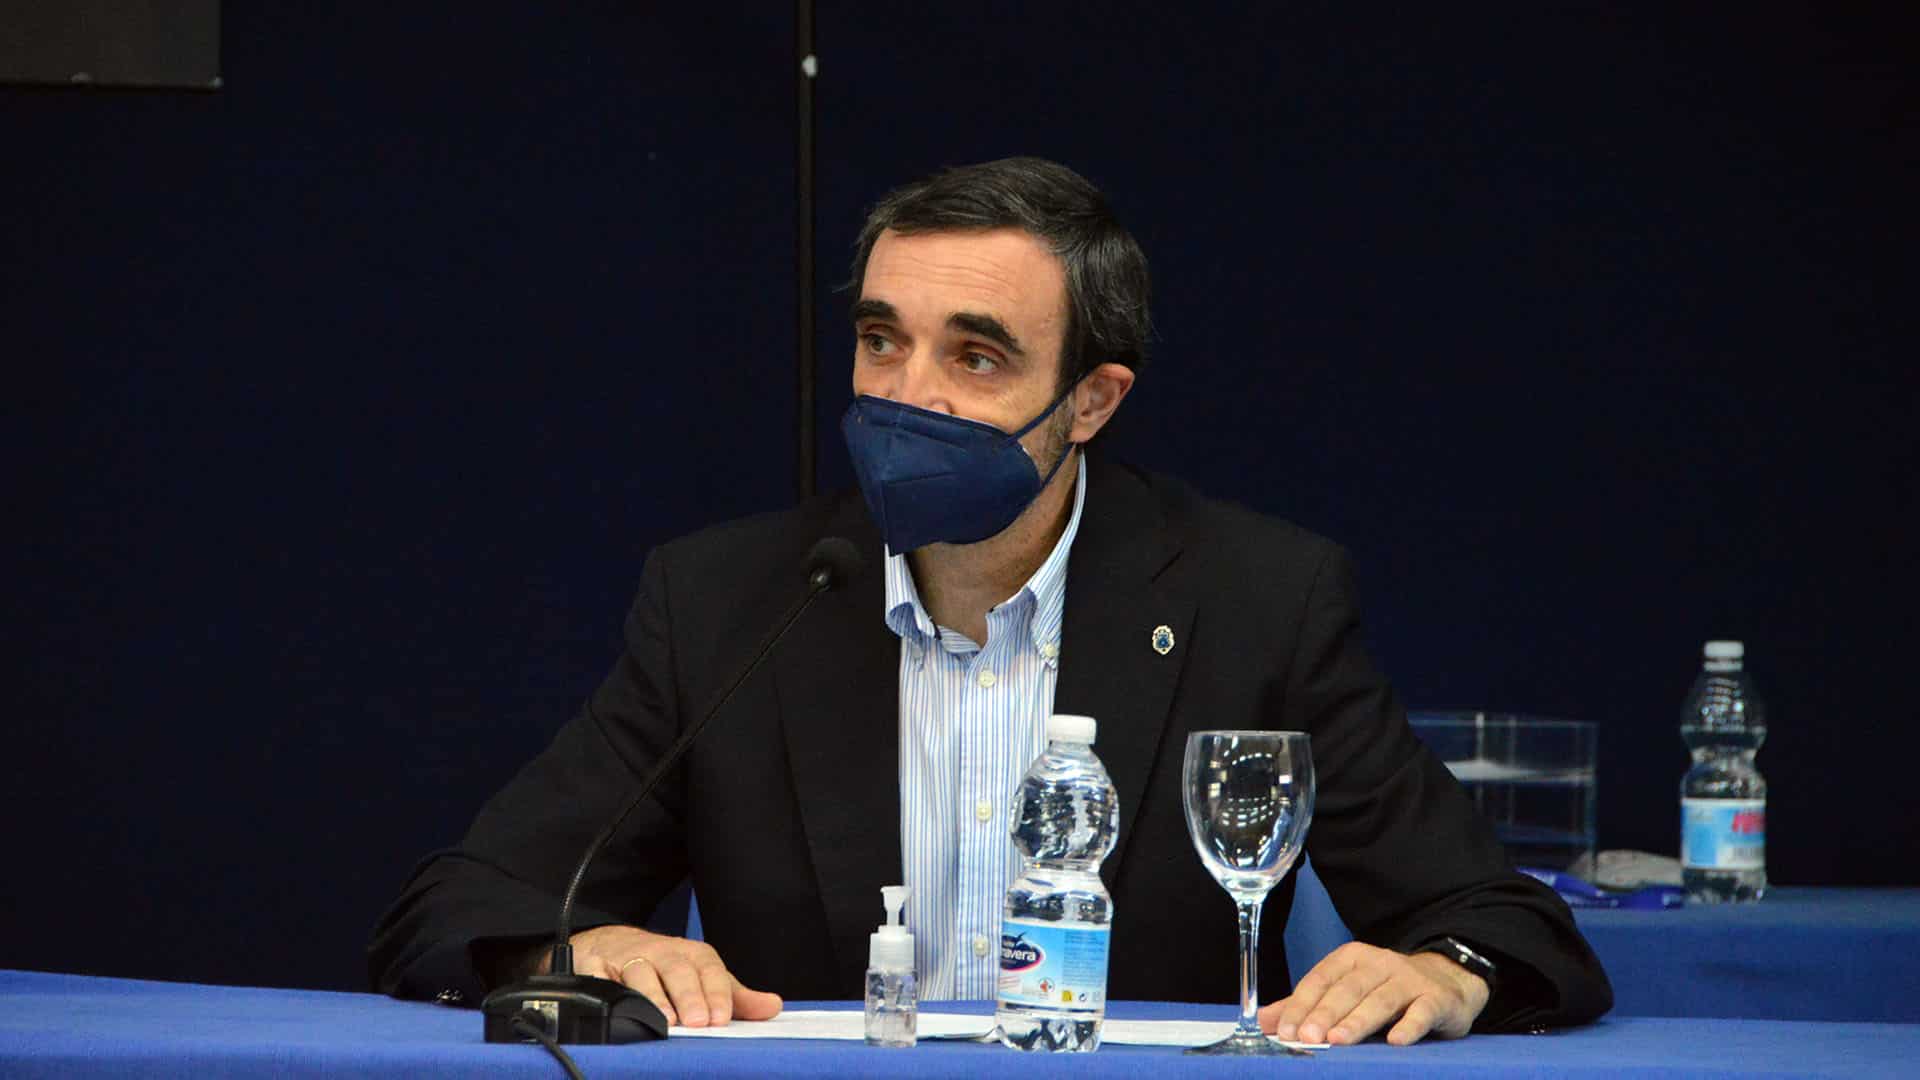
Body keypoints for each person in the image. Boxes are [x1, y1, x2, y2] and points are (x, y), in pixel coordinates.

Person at [369, 157, 1611, 1047]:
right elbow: (456, 905)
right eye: (881, 340)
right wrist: (574, 946)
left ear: (1092, 401)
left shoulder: (1257, 599)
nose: (909, 395)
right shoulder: (727, 600)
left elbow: (1499, 919)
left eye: (975, 356)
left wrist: (1448, 973)